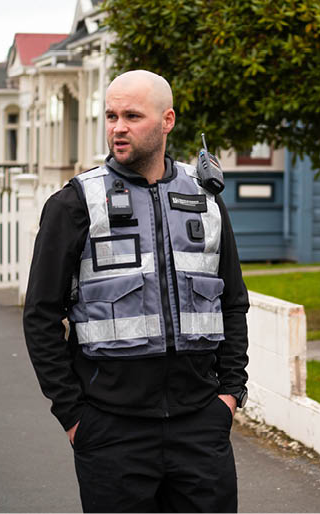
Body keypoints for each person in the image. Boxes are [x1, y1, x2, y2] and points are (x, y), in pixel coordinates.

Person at [23, 70, 249, 513]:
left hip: (200, 425)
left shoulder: (205, 198)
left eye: (131, 115)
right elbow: (41, 315)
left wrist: (229, 395)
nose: (117, 127)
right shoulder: (74, 204)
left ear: (167, 121)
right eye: (110, 116)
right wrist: (73, 415)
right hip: (111, 431)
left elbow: (233, 302)